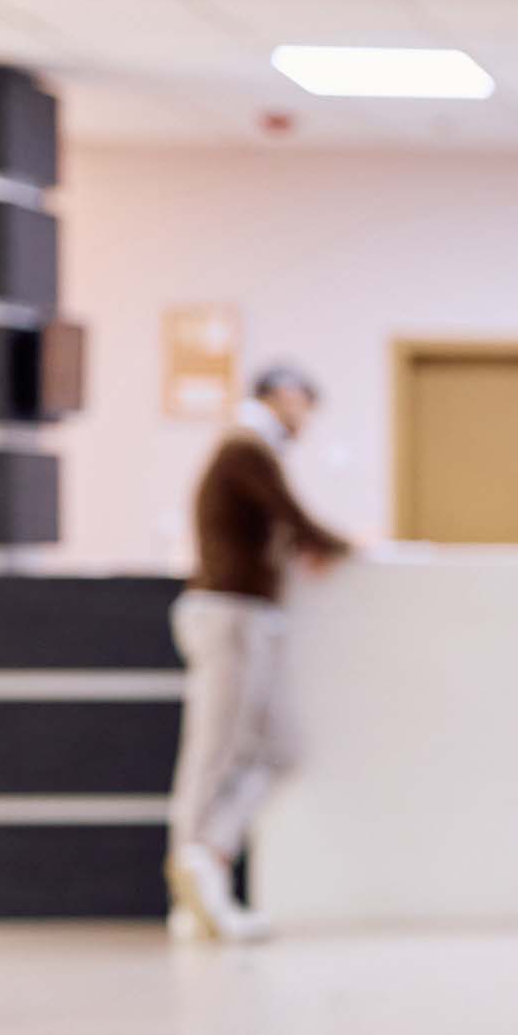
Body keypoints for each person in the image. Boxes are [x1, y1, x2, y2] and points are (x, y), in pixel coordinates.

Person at [164, 363, 351, 942]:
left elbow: (277, 524)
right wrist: (342, 544)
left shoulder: (253, 453)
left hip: (251, 616)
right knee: (214, 749)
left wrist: (304, 547)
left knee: (280, 749)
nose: (305, 421)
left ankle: (209, 856)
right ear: (282, 397)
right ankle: (190, 867)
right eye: (302, 407)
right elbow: (293, 515)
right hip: (228, 615)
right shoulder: (244, 448)